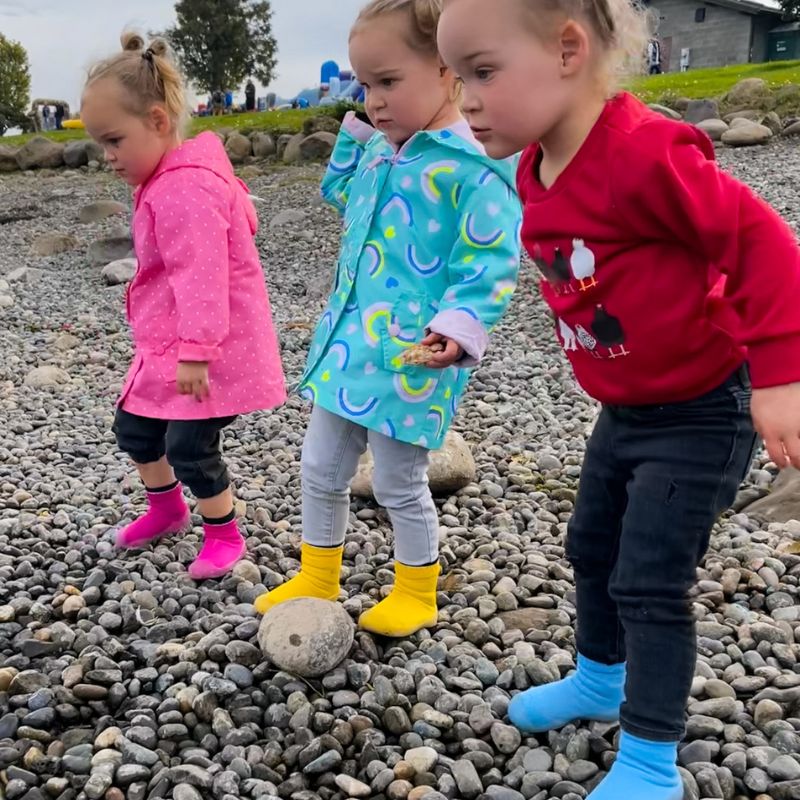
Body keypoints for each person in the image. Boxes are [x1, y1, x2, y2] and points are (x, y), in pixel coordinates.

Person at [438, 0, 800, 798]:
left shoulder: (643, 154)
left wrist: (778, 378)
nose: (464, 98)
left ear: (568, 49)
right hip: (627, 409)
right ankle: (600, 679)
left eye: (484, 72)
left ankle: (649, 760)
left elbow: (764, 243)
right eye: (456, 76)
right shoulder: (533, 166)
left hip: (705, 408)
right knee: (590, 547)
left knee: (649, 578)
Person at [254, 0, 522, 637]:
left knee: (400, 480)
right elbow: (339, 196)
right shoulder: (384, 152)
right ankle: (319, 574)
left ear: (445, 69)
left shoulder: (472, 167)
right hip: (348, 347)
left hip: (409, 356)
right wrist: (355, 143)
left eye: (388, 82)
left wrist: (459, 328)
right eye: (364, 84)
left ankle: (416, 588)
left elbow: (489, 260)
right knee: (320, 468)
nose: (372, 99)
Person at [81, 33, 286, 580]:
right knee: (136, 430)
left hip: (210, 349)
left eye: (114, 140)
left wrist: (196, 352)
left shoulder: (183, 189)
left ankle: (224, 533)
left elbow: (203, 277)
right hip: (171, 343)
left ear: (156, 120)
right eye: (101, 144)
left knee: (190, 445)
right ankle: (167, 510)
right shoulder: (169, 178)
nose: (108, 157)